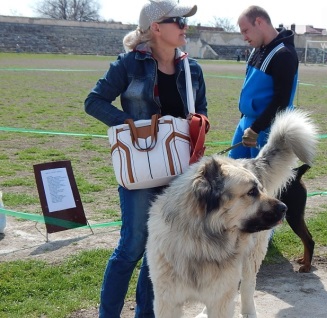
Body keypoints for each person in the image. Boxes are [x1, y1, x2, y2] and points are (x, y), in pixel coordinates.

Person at [84, 0, 207, 317]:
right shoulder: (128, 64)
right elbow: (94, 102)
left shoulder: (192, 68)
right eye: (178, 22)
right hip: (139, 170)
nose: (185, 27)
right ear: (156, 27)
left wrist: (200, 123)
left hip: (180, 172)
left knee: (160, 252)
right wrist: (129, 125)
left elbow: (202, 111)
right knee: (131, 248)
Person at [229, 5, 298, 159]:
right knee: (233, 175)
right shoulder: (257, 48)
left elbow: (282, 100)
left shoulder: (284, 54)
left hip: (266, 129)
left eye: (245, 31)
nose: (244, 37)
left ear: (259, 22)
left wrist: (256, 128)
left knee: (263, 180)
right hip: (247, 124)